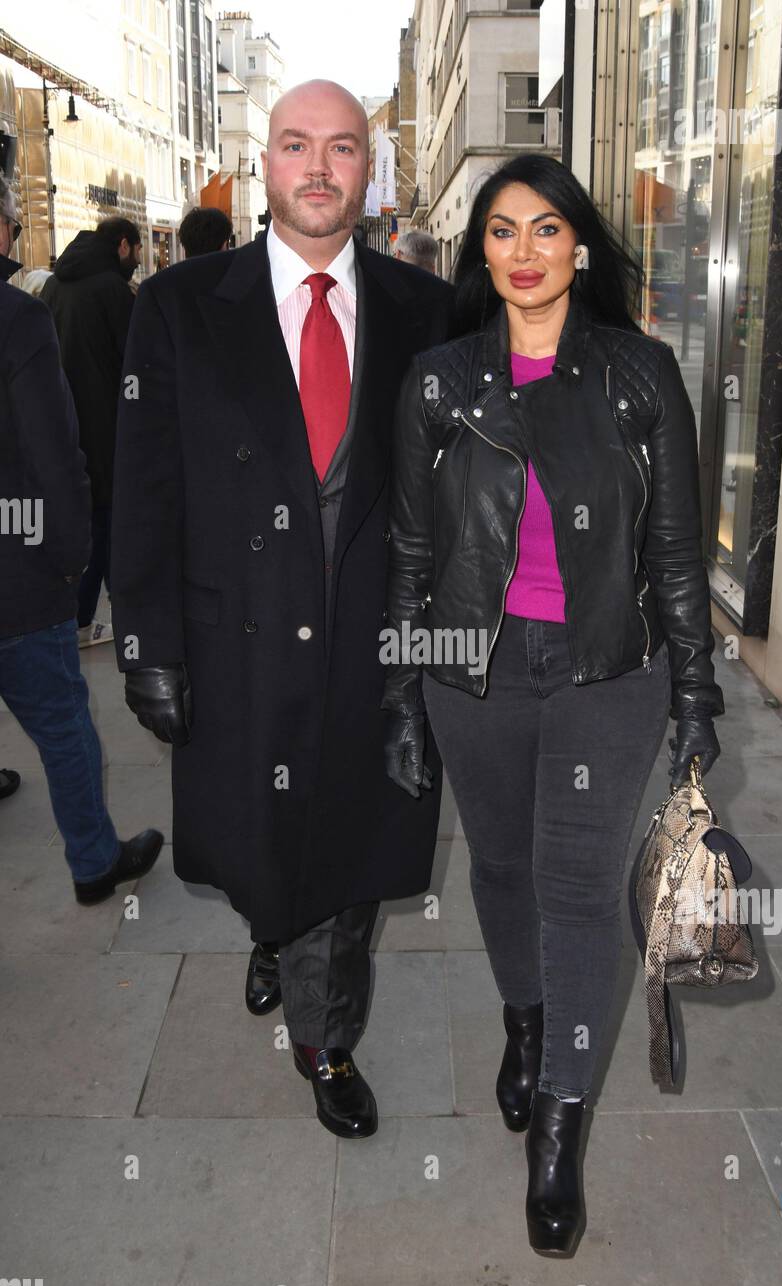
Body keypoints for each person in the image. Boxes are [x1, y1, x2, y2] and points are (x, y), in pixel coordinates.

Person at [383, 153, 725, 1255]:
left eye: (544, 229)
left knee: (575, 890)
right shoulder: (437, 382)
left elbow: (673, 549)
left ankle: (559, 1131)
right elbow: (411, 550)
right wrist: (400, 694)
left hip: (602, 672)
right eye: (500, 231)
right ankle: (523, 1024)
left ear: (578, 244)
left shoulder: (638, 375)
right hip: (468, 671)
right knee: (499, 869)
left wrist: (692, 688)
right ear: (477, 250)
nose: (522, 252)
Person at [111, 80, 454, 1139]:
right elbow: (145, 487)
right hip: (236, 644)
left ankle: (326, 1039)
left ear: (368, 169)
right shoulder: (177, 308)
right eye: (295, 146)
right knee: (266, 841)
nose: (317, 167)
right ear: (262, 163)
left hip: (369, 649)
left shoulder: (425, 311)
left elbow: (451, 498)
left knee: (347, 858)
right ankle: (274, 927)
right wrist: (146, 646)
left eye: (341, 148)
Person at [0, 176, 163, 902]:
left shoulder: (45, 300)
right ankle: (95, 862)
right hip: (16, 572)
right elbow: (51, 450)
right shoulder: (13, 318)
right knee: (64, 724)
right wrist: (70, 559)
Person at [41, 217, 142, 648]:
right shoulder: (112, 290)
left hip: (63, 424)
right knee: (109, 525)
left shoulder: (54, 287)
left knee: (89, 522)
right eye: (136, 251)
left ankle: (82, 612)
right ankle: (87, 615)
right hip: (108, 428)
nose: (137, 261)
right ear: (124, 245)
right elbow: (136, 362)